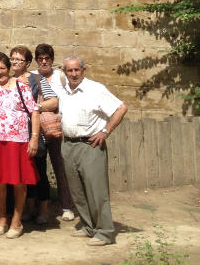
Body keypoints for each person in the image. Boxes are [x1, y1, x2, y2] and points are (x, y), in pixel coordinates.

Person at [58, 56, 128, 246]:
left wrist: (105, 131)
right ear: (64, 72)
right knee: (77, 191)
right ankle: (89, 226)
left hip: (90, 146)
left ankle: (105, 232)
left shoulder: (95, 89)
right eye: (69, 70)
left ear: (83, 70)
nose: (73, 74)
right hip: (68, 145)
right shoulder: (63, 91)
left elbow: (121, 108)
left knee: (96, 191)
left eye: (76, 70)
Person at [0, 52, 39, 239]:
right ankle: (2, 218)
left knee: (18, 182)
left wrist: (34, 138)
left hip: (18, 141)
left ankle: (16, 221)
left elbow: (34, 112)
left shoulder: (21, 86)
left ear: (8, 68)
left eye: (2, 68)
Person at [10, 46, 58, 224]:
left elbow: (53, 101)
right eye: (12, 58)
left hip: (33, 132)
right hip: (15, 135)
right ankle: (29, 210)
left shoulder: (36, 79)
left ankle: (43, 211)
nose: (14, 62)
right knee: (24, 174)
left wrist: (35, 108)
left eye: (19, 59)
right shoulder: (6, 80)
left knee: (39, 172)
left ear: (28, 63)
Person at [33, 43, 75, 221]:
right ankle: (39, 205)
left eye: (47, 59)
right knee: (38, 169)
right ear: (36, 60)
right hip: (37, 129)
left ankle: (67, 206)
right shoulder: (32, 77)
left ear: (52, 60)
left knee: (61, 167)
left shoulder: (60, 77)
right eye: (40, 59)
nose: (44, 62)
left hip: (58, 128)